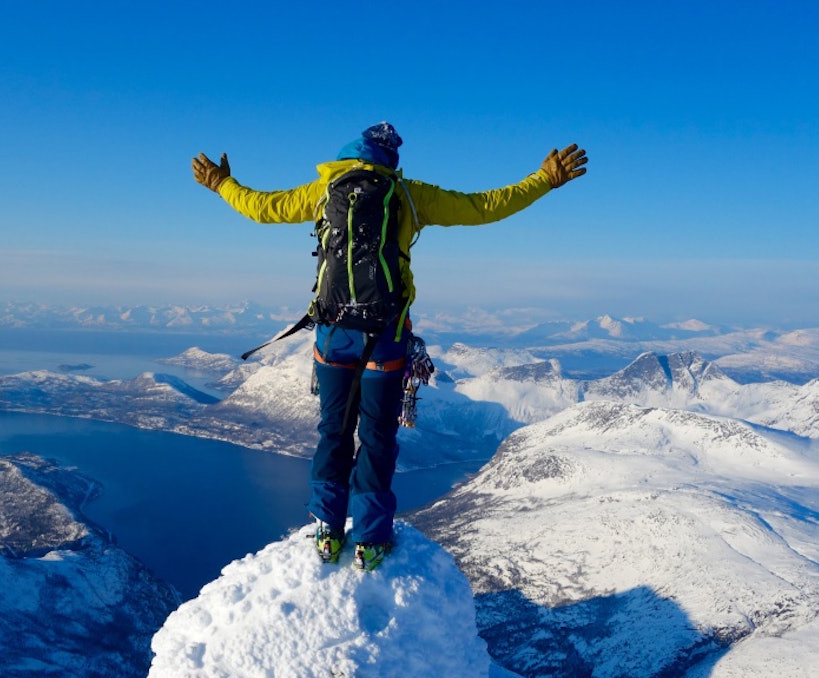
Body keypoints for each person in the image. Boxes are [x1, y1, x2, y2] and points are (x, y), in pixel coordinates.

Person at [191, 122, 587, 570]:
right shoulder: (407, 194)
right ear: (391, 157)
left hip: (333, 335)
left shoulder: (324, 189)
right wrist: (543, 180)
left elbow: (261, 207)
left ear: (348, 154)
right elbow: (483, 207)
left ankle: (326, 528)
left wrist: (221, 183)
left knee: (334, 432)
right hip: (385, 337)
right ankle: (370, 539)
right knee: (377, 437)